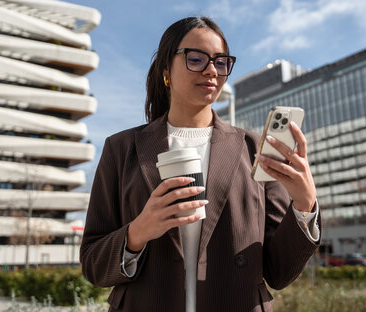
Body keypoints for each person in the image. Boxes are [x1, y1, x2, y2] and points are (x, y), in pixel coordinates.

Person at [80, 16, 321, 312]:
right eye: (196, 59)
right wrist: (138, 232)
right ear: (166, 70)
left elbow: (279, 272)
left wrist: (305, 204)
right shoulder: (121, 149)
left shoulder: (253, 149)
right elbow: (93, 263)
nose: (211, 71)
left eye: (221, 63)